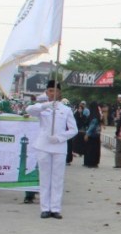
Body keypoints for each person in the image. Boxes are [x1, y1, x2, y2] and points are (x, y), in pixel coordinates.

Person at [25, 80, 79, 219]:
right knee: (44, 178)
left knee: (57, 179)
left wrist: (60, 137)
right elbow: (29, 110)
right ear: (46, 92)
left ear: (59, 93)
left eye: (55, 91)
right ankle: (45, 208)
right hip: (43, 146)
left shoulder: (66, 110)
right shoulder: (42, 108)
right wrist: (46, 105)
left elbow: (74, 130)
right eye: (50, 91)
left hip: (59, 147)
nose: (52, 93)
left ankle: (55, 208)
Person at [83, 102, 102, 168]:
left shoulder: (94, 117)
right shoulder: (97, 115)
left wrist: (87, 134)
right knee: (95, 150)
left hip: (92, 135)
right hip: (96, 135)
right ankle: (94, 162)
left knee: (91, 150)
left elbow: (92, 126)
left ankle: (90, 163)